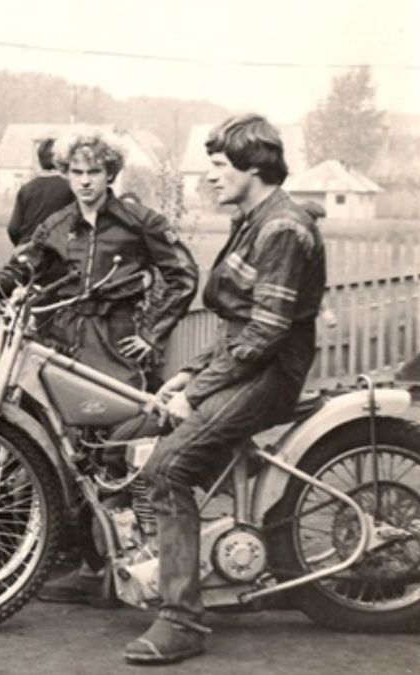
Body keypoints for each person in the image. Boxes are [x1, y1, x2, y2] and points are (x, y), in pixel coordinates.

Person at [124, 115, 326, 665]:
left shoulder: (282, 229)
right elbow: (237, 324)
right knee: (140, 429)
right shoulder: (254, 218)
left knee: (167, 469)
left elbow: (264, 333)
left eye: (218, 165)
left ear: (253, 167)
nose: (210, 176)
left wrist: (198, 387)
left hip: (269, 373)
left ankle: (182, 620)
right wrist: (190, 374)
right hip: (243, 363)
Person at [0, 128, 198, 391]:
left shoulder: (141, 222)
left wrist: (151, 334)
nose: (85, 181)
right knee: (52, 417)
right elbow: (19, 271)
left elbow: (183, 276)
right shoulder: (54, 225)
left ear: (110, 173)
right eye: (77, 172)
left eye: (94, 172)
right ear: (66, 174)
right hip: (61, 337)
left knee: (119, 418)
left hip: (116, 340)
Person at [5, 137, 75, 246]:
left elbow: (13, 228)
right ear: (60, 159)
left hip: (27, 253)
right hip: (57, 253)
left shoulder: (26, 189)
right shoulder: (71, 187)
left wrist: (23, 246)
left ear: (39, 160)